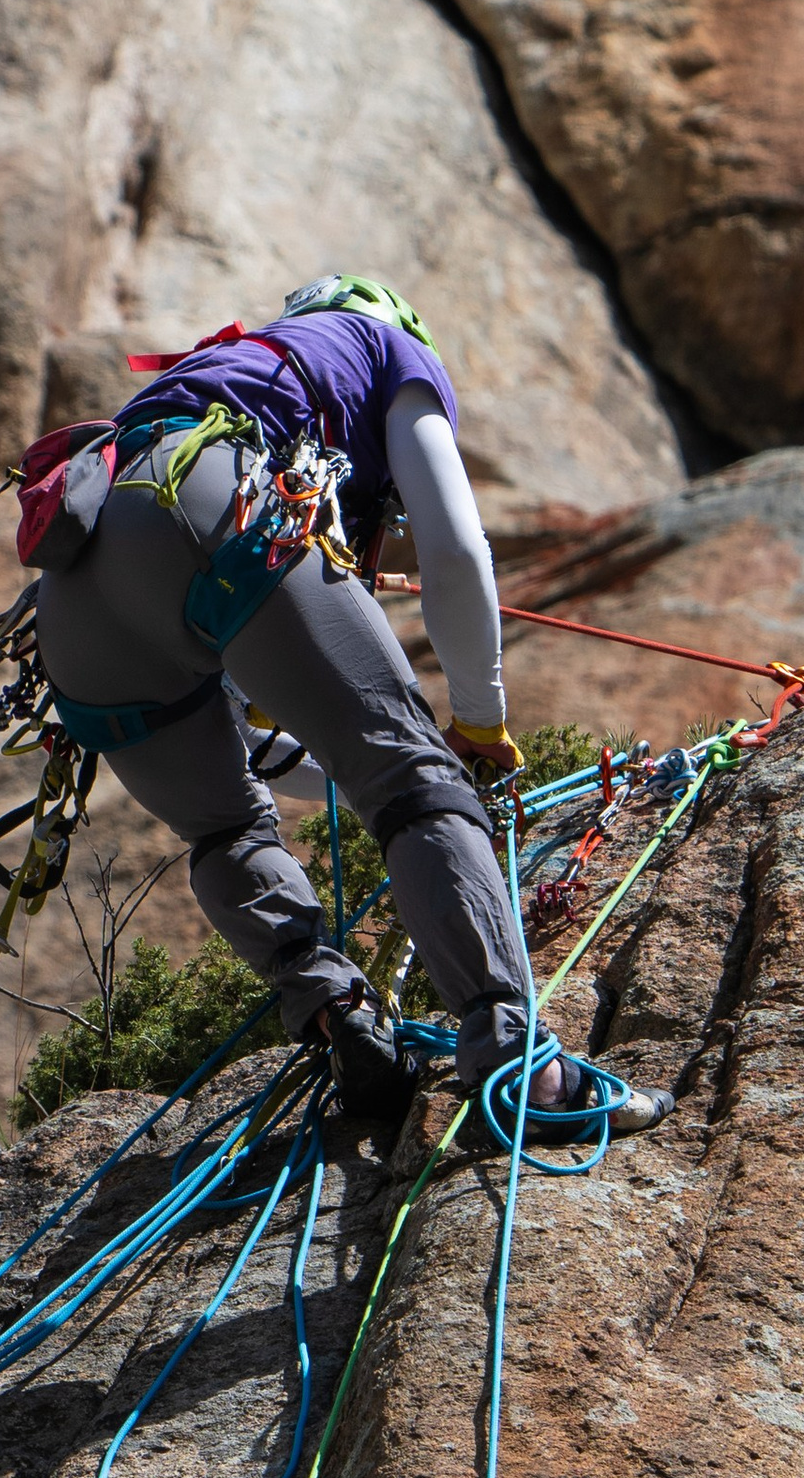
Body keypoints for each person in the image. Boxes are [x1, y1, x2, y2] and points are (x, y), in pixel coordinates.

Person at [33, 275, 668, 1148]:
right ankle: (522, 1070)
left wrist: (361, 768)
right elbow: (453, 545)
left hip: (72, 609)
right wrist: (473, 729)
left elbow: (258, 737)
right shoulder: (385, 349)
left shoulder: (220, 372)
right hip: (211, 510)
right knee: (413, 780)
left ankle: (339, 1016)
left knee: (227, 834)